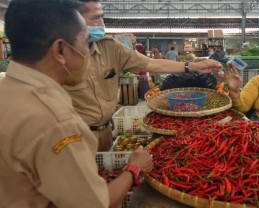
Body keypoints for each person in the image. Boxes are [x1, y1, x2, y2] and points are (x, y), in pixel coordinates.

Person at [0, 0, 153, 207]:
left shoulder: (7, 91)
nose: (89, 51)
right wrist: (134, 168)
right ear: (61, 50)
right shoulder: (56, 121)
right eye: (86, 42)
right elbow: (95, 204)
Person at [67, 0, 223, 151]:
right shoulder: (60, 54)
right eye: (96, 18)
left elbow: (151, 64)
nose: (102, 24)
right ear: (75, 20)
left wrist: (193, 66)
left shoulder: (111, 47)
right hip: (75, 137)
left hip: (106, 131)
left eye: (102, 17)